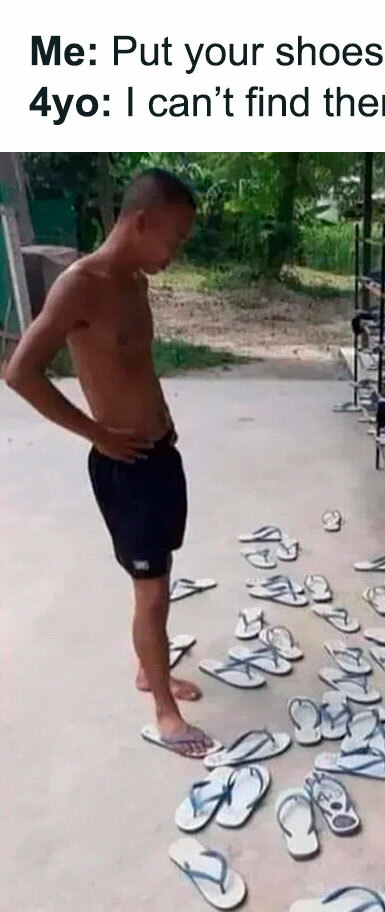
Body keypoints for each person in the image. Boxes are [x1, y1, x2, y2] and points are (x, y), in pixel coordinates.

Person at [5, 168, 215, 758]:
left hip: (159, 455)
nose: (176, 253)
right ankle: (165, 713)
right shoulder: (81, 285)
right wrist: (95, 432)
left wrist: (161, 422)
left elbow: (135, 367)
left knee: (159, 577)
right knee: (151, 593)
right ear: (141, 222)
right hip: (125, 466)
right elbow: (21, 372)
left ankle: (152, 669)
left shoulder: (135, 283)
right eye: (174, 239)